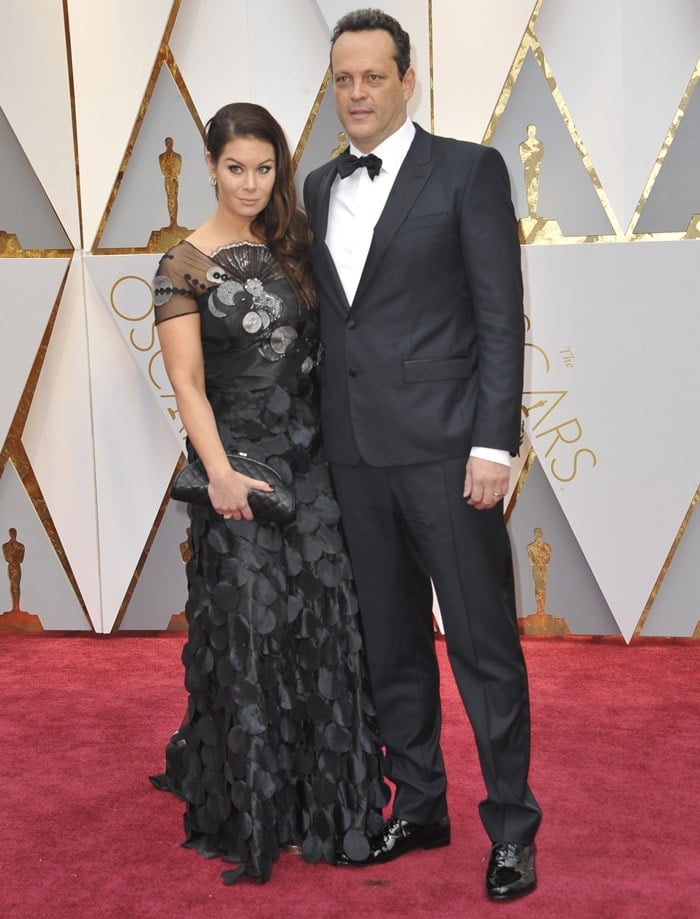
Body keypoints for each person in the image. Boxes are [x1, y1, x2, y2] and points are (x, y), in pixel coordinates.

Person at [303, 9, 541, 901]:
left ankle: (512, 826)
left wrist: (493, 441)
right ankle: (422, 800)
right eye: (343, 79)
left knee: (483, 646)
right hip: (354, 455)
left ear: (409, 81)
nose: (357, 93)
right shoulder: (319, 185)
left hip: (451, 453)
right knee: (389, 643)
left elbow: (500, 317)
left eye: (373, 76)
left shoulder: (469, 171)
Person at [150, 101, 388, 885]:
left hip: (314, 465)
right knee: (251, 630)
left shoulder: (294, 246)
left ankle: (320, 804)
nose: (250, 183)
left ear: (277, 169)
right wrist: (217, 472)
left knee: (324, 625)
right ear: (210, 166)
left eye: (264, 168)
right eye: (234, 168)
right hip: (238, 464)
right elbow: (187, 380)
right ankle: (255, 808)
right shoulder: (183, 263)